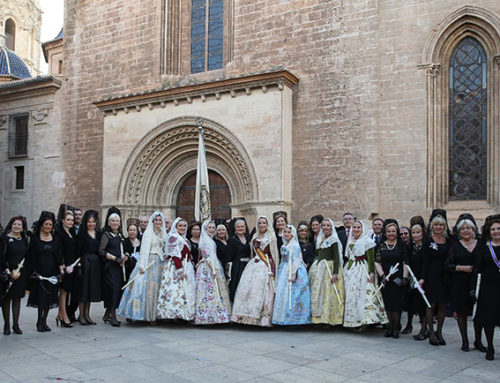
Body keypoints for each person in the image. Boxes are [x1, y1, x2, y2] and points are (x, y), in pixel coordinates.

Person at [231, 216, 279, 326]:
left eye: (264, 223)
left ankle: (263, 319)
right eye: (260, 223)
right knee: (248, 290)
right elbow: (252, 252)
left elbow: (274, 253)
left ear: (267, 224)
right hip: (253, 265)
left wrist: (273, 267)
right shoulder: (254, 236)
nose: (262, 225)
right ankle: (246, 317)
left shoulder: (271, 237)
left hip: (265, 265)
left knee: (263, 291)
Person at [119, 212, 166, 323]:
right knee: (146, 287)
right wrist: (142, 265)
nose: (158, 222)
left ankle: (154, 314)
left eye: (160, 220)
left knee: (157, 288)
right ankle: (146, 315)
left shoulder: (163, 233)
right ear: (153, 221)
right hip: (149, 261)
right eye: (156, 220)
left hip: (160, 262)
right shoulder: (148, 233)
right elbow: (144, 250)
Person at [343, 220, 387, 330]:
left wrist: (371, 273)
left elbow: (371, 259)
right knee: (351, 295)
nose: (356, 229)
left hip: (362, 269)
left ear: (362, 229)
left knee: (362, 295)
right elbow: (349, 256)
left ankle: (365, 321)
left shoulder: (367, 241)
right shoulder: (350, 240)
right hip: (351, 269)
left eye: (358, 227)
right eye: (354, 227)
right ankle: (352, 321)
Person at [446, 216, 481, 352]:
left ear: (473, 230)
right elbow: (448, 265)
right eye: (463, 229)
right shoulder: (455, 246)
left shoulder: (481, 243)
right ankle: (465, 341)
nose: (466, 231)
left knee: (478, 312)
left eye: (468, 228)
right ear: (459, 232)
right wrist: (461, 267)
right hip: (459, 283)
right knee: (461, 312)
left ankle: (478, 340)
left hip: (477, 282)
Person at [27, 211, 64, 332]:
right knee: (41, 298)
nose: (48, 226)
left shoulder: (56, 239)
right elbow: (32, 257)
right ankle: (39, 321)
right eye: (46, 224)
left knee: (49, 298)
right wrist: (35, 272)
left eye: (50, 225)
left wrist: (60, 271)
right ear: (42, 225)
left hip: (52, 272)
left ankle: (45, 321)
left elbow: (59, 256)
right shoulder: (35, 239)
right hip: (40, 272)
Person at [472, 214, 500, 360]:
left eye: (498, 229)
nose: (496, 231)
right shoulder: (484, 248)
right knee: (488, 320)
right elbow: (478, 268)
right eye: (493, 229)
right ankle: (490, 346)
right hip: (488, 288)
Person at [421, 209, 451, 346]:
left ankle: (439, 331)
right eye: (436, 224)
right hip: (431, 276)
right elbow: (425, 260)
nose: (438, 227)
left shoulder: (448, 240)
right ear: (432, 226)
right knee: (431, 304)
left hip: (444, 276)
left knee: (442, 305)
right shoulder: (428, 239)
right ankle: (431, 332)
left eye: (441, 225)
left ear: (444, 226)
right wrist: (422, 278)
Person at [156, 217, 196, 321]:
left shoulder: (183, 238)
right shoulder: (173, 237)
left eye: (184, 226)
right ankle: (174, 315)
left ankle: (184, 314)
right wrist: (180, 270)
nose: (182, 228)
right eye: (180, 226)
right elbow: (175, 255)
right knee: (176, 291)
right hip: (176, 267)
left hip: (186, 265)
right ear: (176, 226)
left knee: (185, 290)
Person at [375, 219, 408, 338]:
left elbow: (405, 262)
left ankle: (396, 327)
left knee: (396, 304)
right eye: (389, 231)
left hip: (397, 279)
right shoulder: (382, 245)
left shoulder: (401, 245)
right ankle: (389, 326)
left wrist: (405, 277)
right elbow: (377, 262)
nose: (391, 233)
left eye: (393, 231)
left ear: (396, 232)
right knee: (387, 304)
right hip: (386, 279)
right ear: (385, 232)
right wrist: (382, 275)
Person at [272, 224, 311, 325]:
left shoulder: (295, 245)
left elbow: (297, 260)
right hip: (284, 268)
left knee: (294, 294)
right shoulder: (284, 244)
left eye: (289, 232)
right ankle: (281, 317)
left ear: (293, 234)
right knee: (282, 292)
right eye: (285, 232)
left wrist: (293, 274)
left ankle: (294, 319)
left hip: (294, 269)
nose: (286, 234)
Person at [309, 218, 345, 326]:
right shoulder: (320, 239)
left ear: (331, 227)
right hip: (319, 268)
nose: (325, 227)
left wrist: (335, 273)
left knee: (329, 294)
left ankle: (329, 319)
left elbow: (337, 257)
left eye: (328, 225)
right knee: (318, 293)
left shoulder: (334, 240)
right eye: (324, 225)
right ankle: (318, 319)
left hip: (330, 267)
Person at [195, 221, 231, 325]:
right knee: (209, 291)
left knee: (214, 292)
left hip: (213, 265)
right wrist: (213, 270)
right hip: (208, 267)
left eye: (213, 228)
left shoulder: (210, 240)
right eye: (209, 228)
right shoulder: (205, 241)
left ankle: (215, 315)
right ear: (205, 229)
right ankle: (208, 316)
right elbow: (207, 256)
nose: (212, 229)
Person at [99, 211, 129, 326]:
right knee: (113, 290)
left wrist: (125, 256)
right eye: (113, 221)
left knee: (118, 290)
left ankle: (106, 315)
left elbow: (124, 248)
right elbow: (101, 251)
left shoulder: (120, 235)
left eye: (117, 221)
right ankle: (113, 316)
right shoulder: (106, 235)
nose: (115, 223)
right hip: (110, 267)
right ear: (109, 222)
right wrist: (114, 258)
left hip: (120, 267)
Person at [1, 216, 29, 335]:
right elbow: (1, 256)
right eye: (15, 224)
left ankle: (16, 325)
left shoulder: (24, 239)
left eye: (19, 225)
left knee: (17, 299)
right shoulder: (4, 239)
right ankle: (6, 324)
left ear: (22, 228)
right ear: (11, 225)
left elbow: (27, 257)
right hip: (7, 274)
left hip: (20, 274)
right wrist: (8, 270)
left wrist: (21, 272)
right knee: (6, 299)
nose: (17, 226)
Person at [76, 210, 102, 325]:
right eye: (89, 222)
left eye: (93, 222)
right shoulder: (82, 234)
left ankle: (87, 315)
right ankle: (81, 315)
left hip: (95, 264)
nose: (91, 224)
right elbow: (78, 250)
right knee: (83, 290)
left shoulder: (98, 233)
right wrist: (79, 263)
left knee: (90, 291)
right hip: (85, 263)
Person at [406, 222, 428, 341]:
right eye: (413, 233)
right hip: (414, 278)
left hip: (424, 279)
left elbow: (426, 263)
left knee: (425, 305)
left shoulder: (426, 246)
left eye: (418, 232)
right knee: (419, 305)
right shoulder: (411, 247)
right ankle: (424, 328)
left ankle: (424, 329)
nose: (415, 235)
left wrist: (423, 278)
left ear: (423, 233)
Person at [55, 210, 77, 327]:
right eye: (68, 220)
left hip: (72, 265)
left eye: (72, 220)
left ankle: (60, 314)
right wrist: (62, 264)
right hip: (64, 265)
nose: (70, 222)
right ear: (63, 220)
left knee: (67, 291)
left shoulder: (72, 232)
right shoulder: (59, 233)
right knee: (63, 291)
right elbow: (59, 250)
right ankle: (64, 316)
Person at [226, 219, 251, 302]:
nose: (240, 228)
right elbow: (229, 257)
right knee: (237, 286)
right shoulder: (231, 240)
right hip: (237, 267)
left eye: (242, 226)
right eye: (238, 227)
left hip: (248, 266)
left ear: (245, 227)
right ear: (235, 228)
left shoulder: (249, 238)